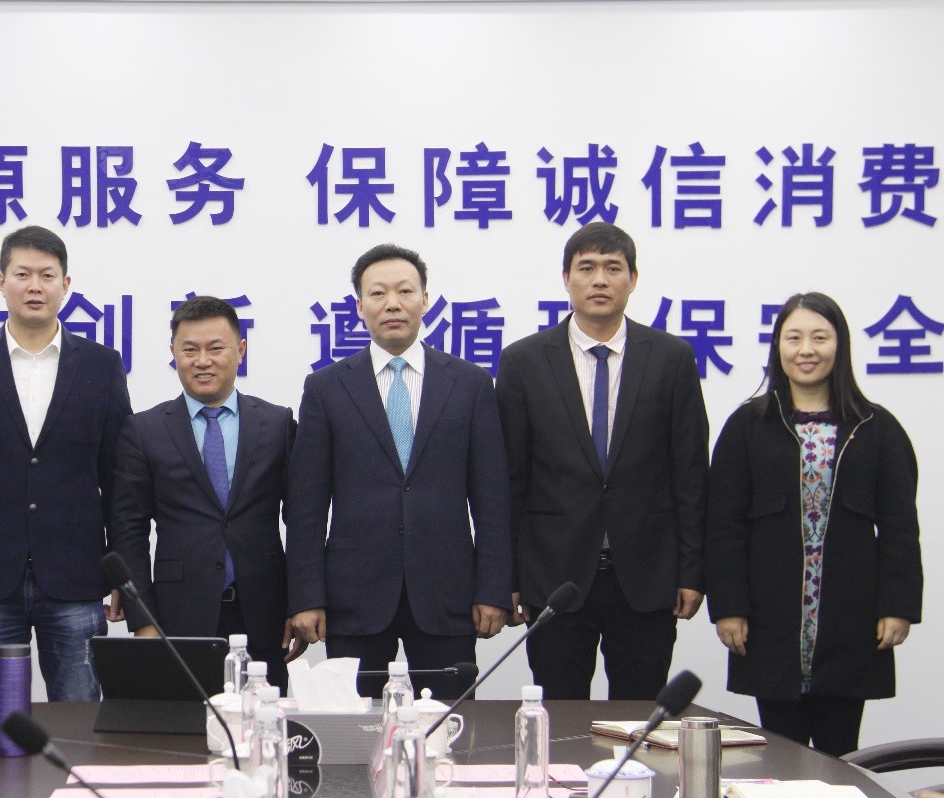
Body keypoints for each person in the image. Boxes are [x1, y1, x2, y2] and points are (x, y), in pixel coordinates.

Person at [285, 243, 513, 699]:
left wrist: (493, 588)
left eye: (405, 291)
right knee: (354, 727)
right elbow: (306, 506)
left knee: (450, 722)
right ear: (359, 306)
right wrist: (307, 597)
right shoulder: (327, 388)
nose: (392, 303)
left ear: (425, 300)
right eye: (378, 293)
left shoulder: (469, 383)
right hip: (354, 596)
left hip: (448, 593)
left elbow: (492, 498)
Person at [495, 221, 708, 700]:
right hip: (554, 577)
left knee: (639, 717)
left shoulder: (671, 358)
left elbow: (690, 473)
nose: (599, 280)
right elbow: (509, 480)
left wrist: (692, 571)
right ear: (566, 278)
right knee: (560, 715)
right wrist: (507, 576)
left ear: (633, 278)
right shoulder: (524, 361)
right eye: (586, 268)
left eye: (613, 268)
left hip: (647, 575)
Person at [705, 292, 921, 757]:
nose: (807, 350)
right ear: (777, 346)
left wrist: (898, 605)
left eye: (820, 338)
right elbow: (723, 526)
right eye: (794, 338)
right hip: (769, 618)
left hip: (852, 617)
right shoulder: (748, 425)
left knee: (841, 755)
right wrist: (729, 606)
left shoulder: (875, 428)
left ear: (839, 345)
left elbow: (901, 528)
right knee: (780, 753)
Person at [0, 225, 132, 702]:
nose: (34, 286)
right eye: (22, 274)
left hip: (76, 577)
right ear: (1, 282)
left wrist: (123, 574)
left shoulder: (101, 365)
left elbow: (119, 481)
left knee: (80, 719)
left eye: (47, 275)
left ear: (66, 284)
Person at [109, 296, 301, 690]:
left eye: (216, 348)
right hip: (178, 614)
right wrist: (143, 620)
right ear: (173, 353)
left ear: (241, 350)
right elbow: (128, 529)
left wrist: (300, 602)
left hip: (265, 612)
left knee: (263, 719)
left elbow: (301, 519)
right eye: (189, 350)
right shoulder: (144, 431)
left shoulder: (277, 423)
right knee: (182, 723)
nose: (202, 361)